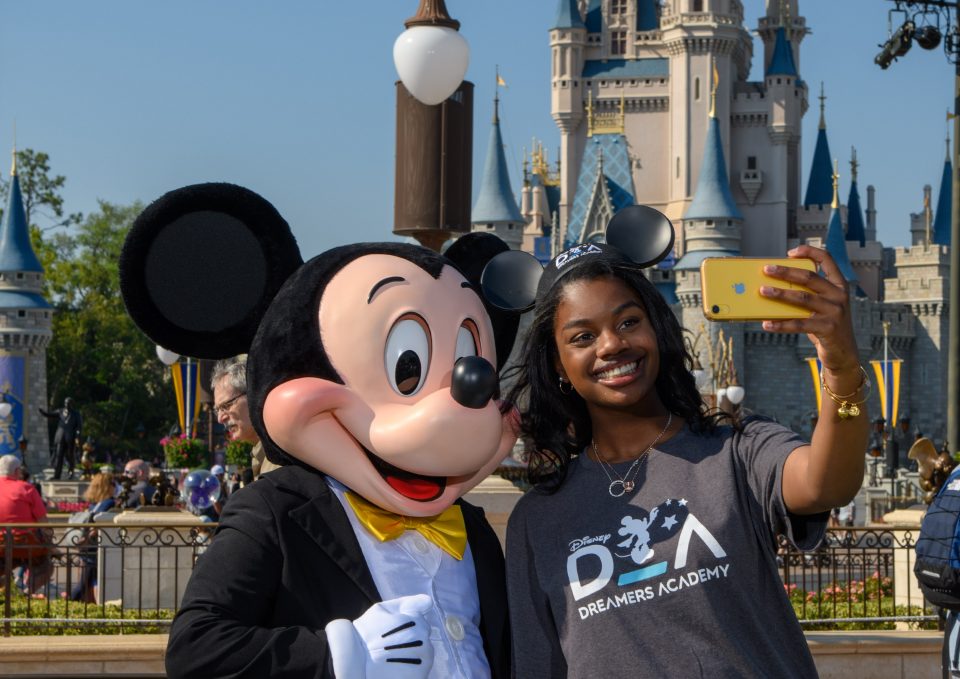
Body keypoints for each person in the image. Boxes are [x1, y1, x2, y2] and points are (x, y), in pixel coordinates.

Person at [504, 242, 869, 678]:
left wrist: (842, 367)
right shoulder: (538, 520)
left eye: (628, 322)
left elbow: (827, 484)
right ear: (559, 365)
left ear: (657, 329)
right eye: (583, 337)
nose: (612, 345)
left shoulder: (736, 452)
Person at [211, 355, 279, 480]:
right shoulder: (263, 454)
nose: (220, 418)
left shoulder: (281, 457)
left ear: (253, 395)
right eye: (217, 410)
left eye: (226, 405)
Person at [0, 453, 53, 595]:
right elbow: (44, 523)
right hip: (25, 545)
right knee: (46, 566)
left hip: (1, 546)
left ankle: (6, 595)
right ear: (17, 472)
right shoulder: (26, 488)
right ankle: (28, 593)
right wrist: (51, 545)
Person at [70, 470, 117, 602]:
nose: (115, 486)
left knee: (89, 583)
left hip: (87, 548)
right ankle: (68, 604)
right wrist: (87, 538)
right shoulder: (108, 503)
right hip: (93, 548)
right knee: (84, 585)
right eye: (113, 483)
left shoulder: (94, 505)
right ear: (107, 486)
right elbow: (97, 526)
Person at [38, 397, 82, 480]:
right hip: (60, 436)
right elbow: (49, 414)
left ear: (71, 404)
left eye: (68, 403)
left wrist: (77, 437)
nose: (66, 405)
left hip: (70, 437)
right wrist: (42, 412)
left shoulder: (76, 414)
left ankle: (71, 472)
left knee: (70, 456)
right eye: (65, 403)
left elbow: (79, 427)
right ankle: (56, 475)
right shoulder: (60, 411)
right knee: (59, 455)